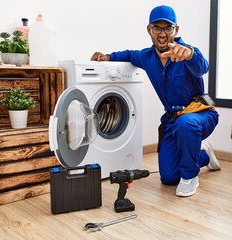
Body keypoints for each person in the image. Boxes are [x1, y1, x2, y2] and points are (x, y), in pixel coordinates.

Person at [91, 5, 220, 197]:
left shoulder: (186, 52)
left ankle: (190, 176)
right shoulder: (146, 56)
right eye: (156, 28)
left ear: (176, 30)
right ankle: (202, 155)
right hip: (173, 120)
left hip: (200, 115)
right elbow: (128, 54)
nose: (162, 33)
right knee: (168, 177)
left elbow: (203, 66)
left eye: (167, 28)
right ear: (149, 30)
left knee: (186, 124)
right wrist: (107, 56)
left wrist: (190, 54)